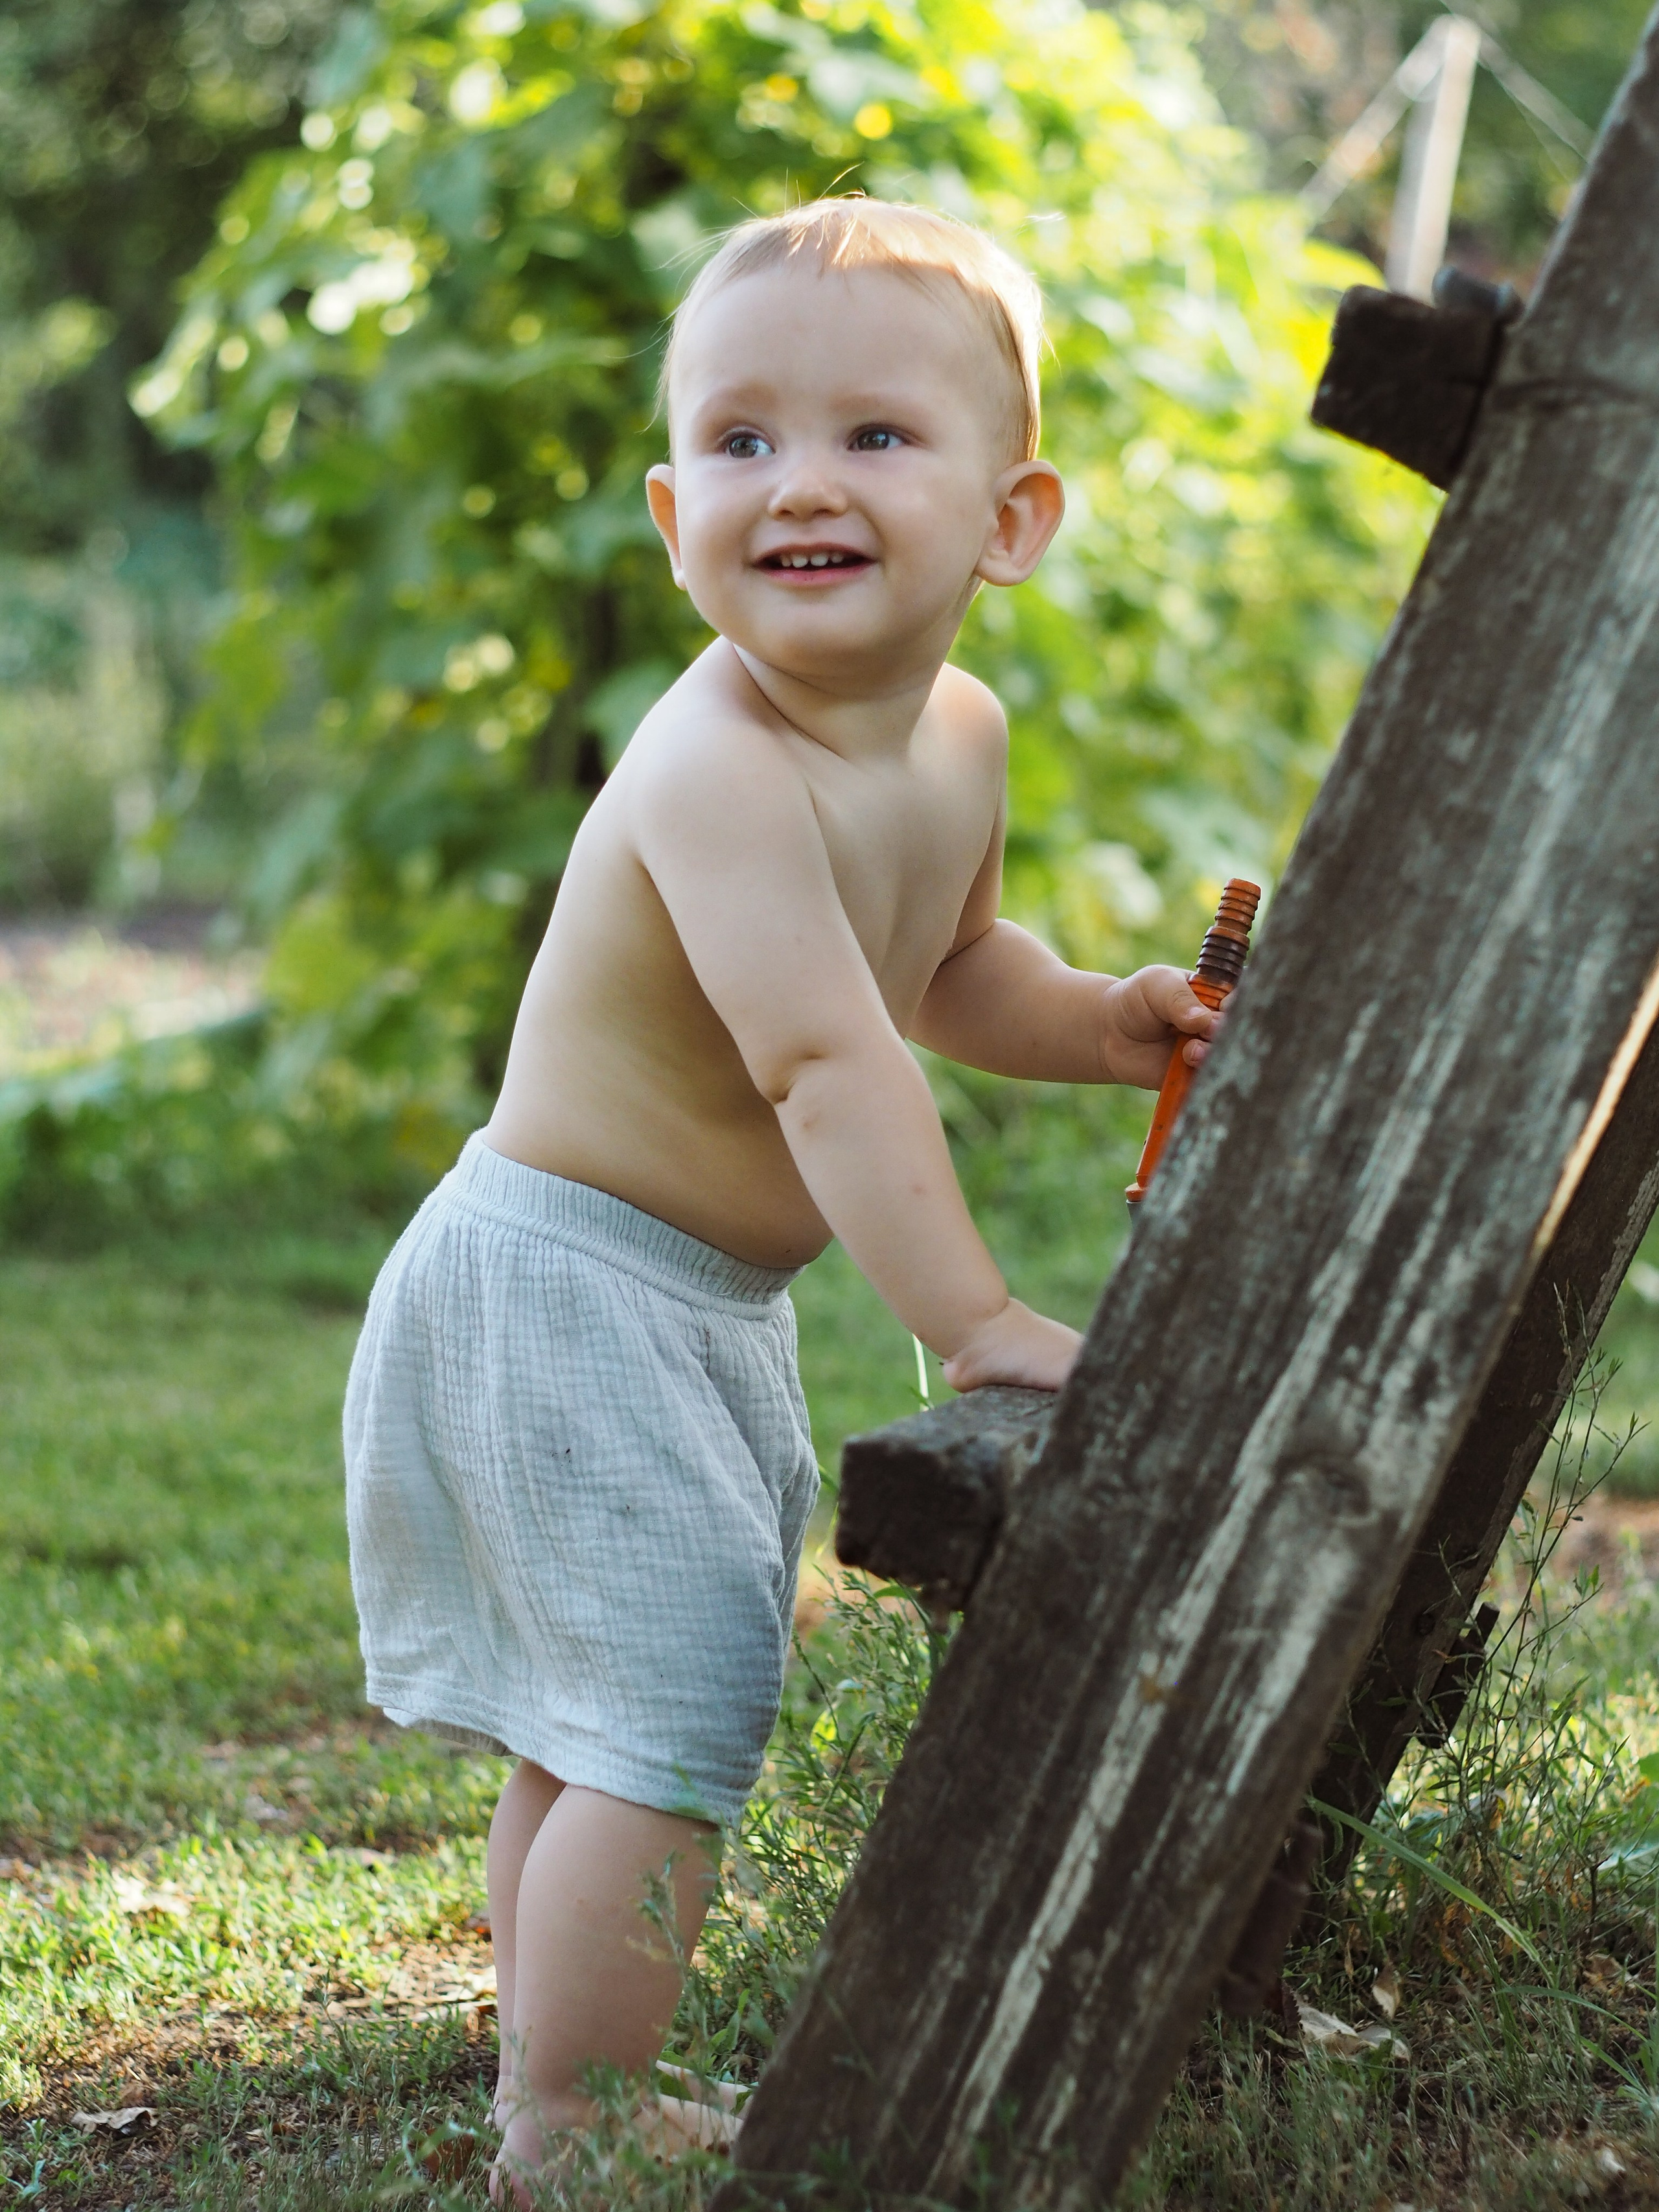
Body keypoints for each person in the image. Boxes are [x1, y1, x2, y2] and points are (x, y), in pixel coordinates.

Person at [343, 195, 1219, 2199]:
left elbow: (940, 976)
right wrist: (979, 1321)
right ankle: (566, 2119)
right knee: (668, 1712)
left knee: (603, 1713)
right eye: (740, 443)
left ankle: (549, 2076)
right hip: (564, 1284)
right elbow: (832, 1062)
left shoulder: (959, 736)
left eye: (872, 439)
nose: (797, 485)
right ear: (672, 516)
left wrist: (1111, 1021)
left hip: (673, 1300)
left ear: (1012, 518)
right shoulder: (714, 764)